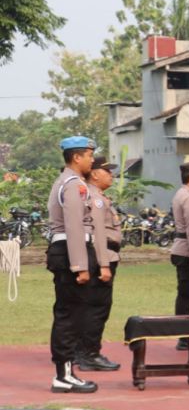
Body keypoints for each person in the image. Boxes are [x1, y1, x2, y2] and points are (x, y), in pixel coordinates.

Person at [46, 136, 100, 393]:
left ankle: (65, 372)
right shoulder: (73, 185)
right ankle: (63, 375)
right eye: (89, 155)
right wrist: (80, 265)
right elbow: (74, 226)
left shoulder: (69, 182)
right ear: (76, 157)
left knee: (70, 313)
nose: (92, 160)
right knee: (69, 315)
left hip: (67, 249)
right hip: (70, 250)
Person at [78, 155, 121, 373]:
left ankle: (82, 351)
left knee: (90, 306)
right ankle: (90, 354)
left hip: (102, 255)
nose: (111, 175)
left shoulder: (97, 196)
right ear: (95, 174)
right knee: (98, 307)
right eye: (107, 171)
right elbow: (97, 233)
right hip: (102, 256)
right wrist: (103, 264)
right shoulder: (95, 198)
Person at [170, 161, 189, 350]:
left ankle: (183, 335)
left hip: (181, 248)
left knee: (185, 294)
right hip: (186, 250)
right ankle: (183, 337)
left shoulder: (181, 193)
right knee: (187, 294)